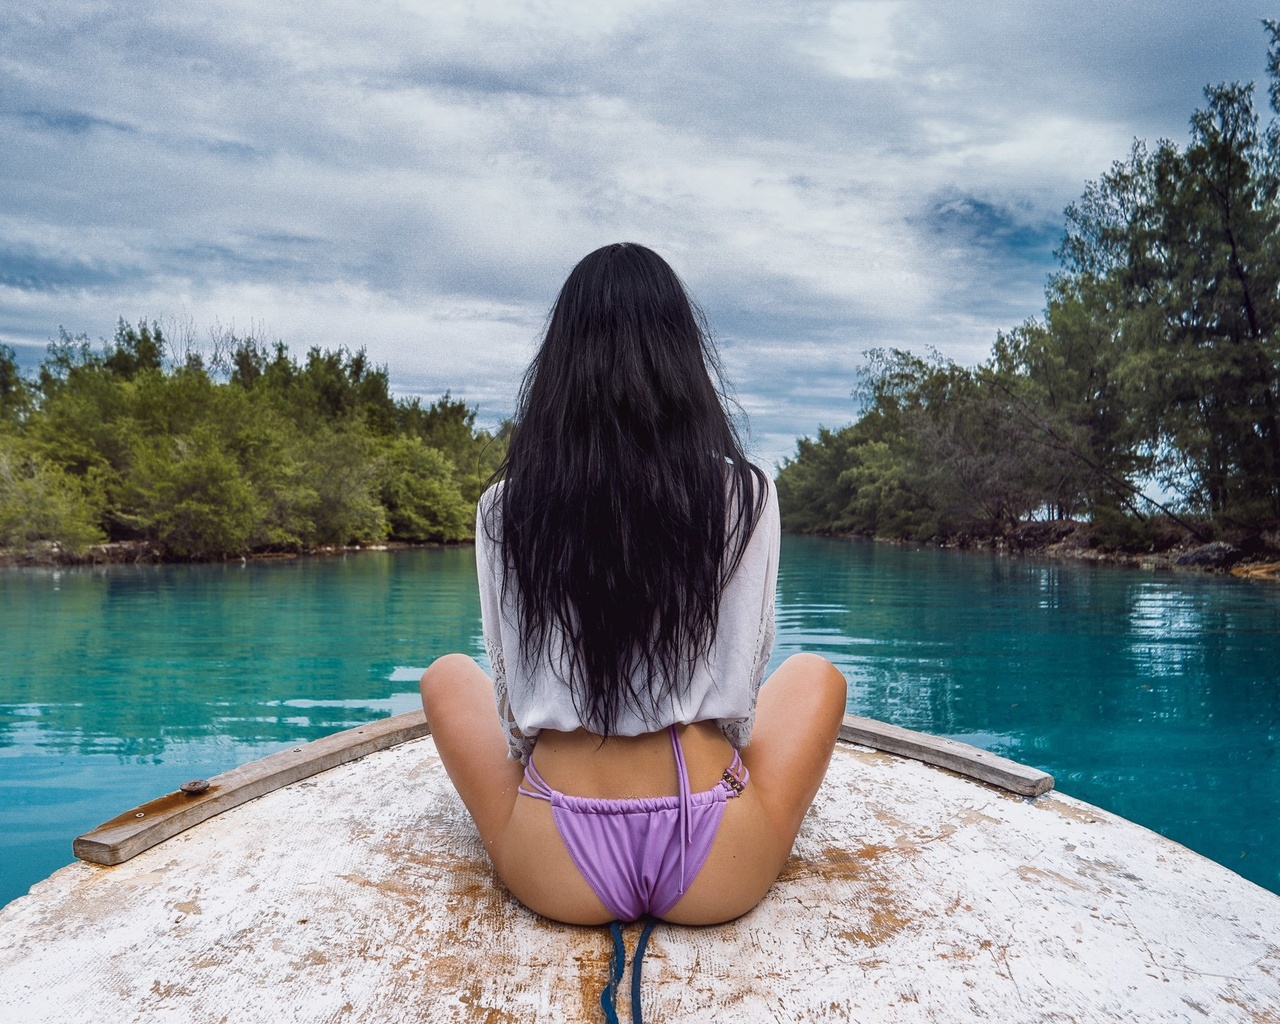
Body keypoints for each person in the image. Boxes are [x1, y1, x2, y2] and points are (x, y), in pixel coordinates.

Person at [420, 242, 846, 928]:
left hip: (557, 859)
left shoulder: (503, 506)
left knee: (444, 676)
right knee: (817, 675)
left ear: (559, 365)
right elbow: (741, 691)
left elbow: (514, 705)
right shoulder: (747, 493)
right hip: (712, 857)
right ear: (683, 358)